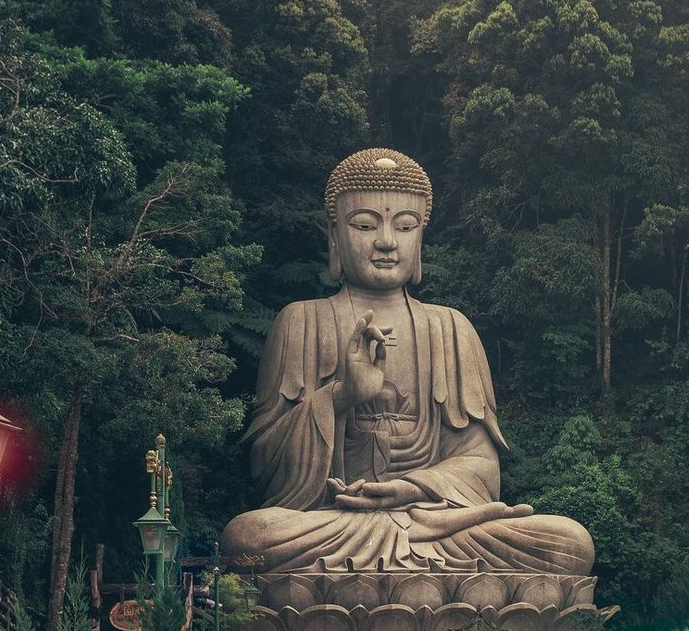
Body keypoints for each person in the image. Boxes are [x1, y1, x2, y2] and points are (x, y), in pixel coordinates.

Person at [222, 148, 593, 575]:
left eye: (404, 226)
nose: (386, 240)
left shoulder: (453, 329)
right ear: (334, 235)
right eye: (364, 224)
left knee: (569, 543)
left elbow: (483, 470)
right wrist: (343, 395)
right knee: (249, 539)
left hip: (435, 525)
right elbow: (267, 472)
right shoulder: (301, 322)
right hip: (336, 524)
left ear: (420, 238)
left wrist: (410, 488)